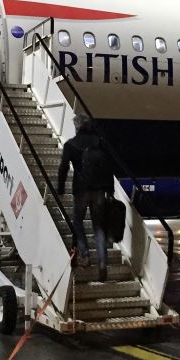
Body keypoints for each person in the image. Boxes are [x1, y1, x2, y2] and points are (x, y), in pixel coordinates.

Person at [57, 115, 115, 281]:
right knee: (99, 228)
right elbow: (108, 167)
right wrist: (109, 189)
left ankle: (85, 253)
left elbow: (63, 168)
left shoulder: (71, 144)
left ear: (77, 127)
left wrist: (60, 189)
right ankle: (103, 263)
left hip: (80, 190)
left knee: (77, 221)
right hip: (99, 191)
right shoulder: (99, 142)